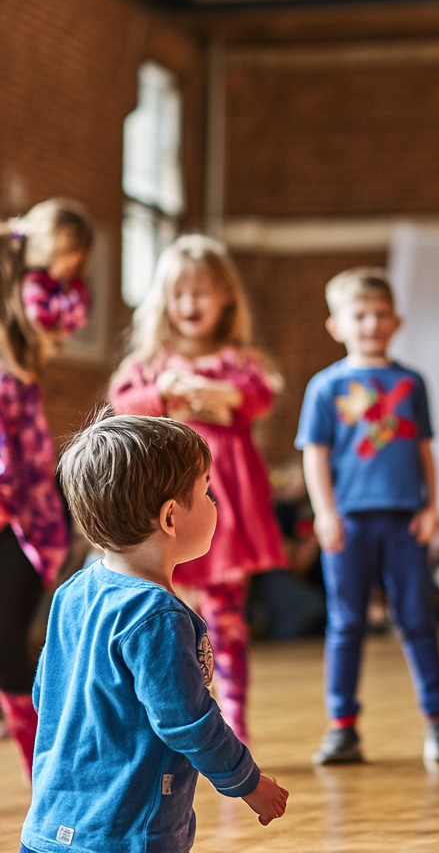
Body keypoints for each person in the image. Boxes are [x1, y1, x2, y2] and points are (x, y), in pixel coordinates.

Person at [21, 413, 288, 853]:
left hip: (48, 828)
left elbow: (45, 695)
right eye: (207, 492)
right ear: (170, 518)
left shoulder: (72, 592)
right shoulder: (156, 615)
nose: (215, 503)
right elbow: (188, 723)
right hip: (125, 834)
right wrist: (248, 782)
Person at [109, 234, 287, 744]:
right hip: (167, 503)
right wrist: (164, 392)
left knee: (226, 614)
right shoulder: (150, 364)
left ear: (226, 297)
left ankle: (235, 720)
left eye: (202, 293)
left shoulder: (238, 361)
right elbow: (121, 406)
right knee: (167, 613)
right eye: (180, 293)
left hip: (224, 511)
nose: (190, 304)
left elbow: (257, 398)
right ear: (163, 301)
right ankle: (167, 717)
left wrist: (218, 393)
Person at [296, 266, 439, 764]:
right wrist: (324, 513)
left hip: (404, 520)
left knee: (417, 619)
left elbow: (424, 451)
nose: (371, 323)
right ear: (337, 326)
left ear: (397, 321)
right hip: (348, 523)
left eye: (381, 314)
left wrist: (432, 506)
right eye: (360, 315)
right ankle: (341, 727)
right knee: (346, 623)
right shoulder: (325, 387)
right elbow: (315, 455)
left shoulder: (410, 383)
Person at [0, 198, 92, 778]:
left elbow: (62, 312)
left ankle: (52, 773)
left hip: (26, 517)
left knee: (10, 647)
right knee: (6, 650)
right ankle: (50, 771)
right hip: (17, 512)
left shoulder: (22, 357)